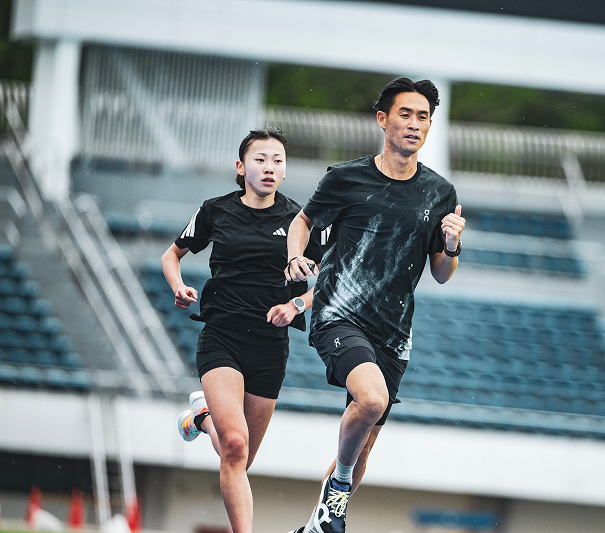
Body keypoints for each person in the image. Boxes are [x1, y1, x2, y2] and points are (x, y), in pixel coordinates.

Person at [284, 77, 466, 533]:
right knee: (370, 400)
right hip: (339, 314)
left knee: (363, 445)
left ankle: (315, 525)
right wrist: (294, 258)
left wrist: (451, 244)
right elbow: (302, 222)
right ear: (383, 119)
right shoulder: (346, 178)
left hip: (393, 334)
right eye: (405, 114)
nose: (414, 124)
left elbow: (441, 273)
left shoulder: (439, 193)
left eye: (423, 117)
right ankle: (338, 491)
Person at [162, 127, 324, 533]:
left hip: (271, 347)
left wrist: (296, 304)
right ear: (241, 166)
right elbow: (171, 255)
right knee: (234, 445)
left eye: (278, 161)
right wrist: (178, 286)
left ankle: (201, 417)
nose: (269, 167)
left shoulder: (299, 221)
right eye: (260, 159)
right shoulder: (216, 210)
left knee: (241, 458)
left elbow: (327, 279)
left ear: (285, 171)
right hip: (222, 336)